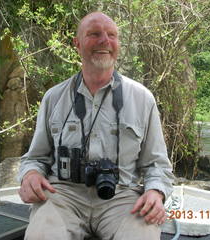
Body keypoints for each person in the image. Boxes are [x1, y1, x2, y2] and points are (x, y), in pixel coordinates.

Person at [18, 11, 174, 240]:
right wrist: (30, 174)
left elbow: (157, 164)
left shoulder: (143, 98)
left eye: (112, 35)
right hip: (63, 195)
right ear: (77, 44)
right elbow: (35, 158)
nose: (105, 41)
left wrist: (155, 191)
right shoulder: (54, 97)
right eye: (94, 34)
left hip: (122, 196)